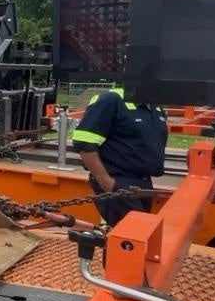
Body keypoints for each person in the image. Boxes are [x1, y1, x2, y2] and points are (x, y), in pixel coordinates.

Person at [71, 87, 168, 226]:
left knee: (129, 239)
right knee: (135, 234)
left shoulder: (155, 108)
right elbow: (84, 143)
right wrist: (107, 183)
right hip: (119, 182)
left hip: (144, 184)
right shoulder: (111, 100)